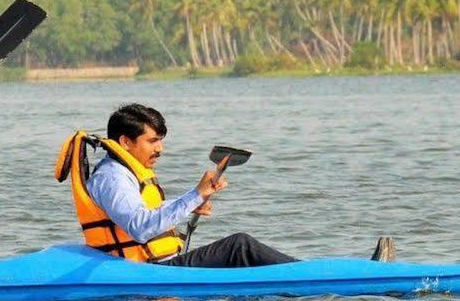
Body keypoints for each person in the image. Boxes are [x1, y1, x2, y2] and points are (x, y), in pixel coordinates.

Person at [55, 103, 395, 268]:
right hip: (147, 273)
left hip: (159, 266)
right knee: (240, 245)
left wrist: (191, 205)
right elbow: (141, 229)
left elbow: (143, 219)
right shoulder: (112, 177)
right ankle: (326, 276)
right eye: (153, 141)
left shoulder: (126, 172)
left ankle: (321, 274)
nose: (160, 149)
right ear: (126, 143)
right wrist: (195, 194)